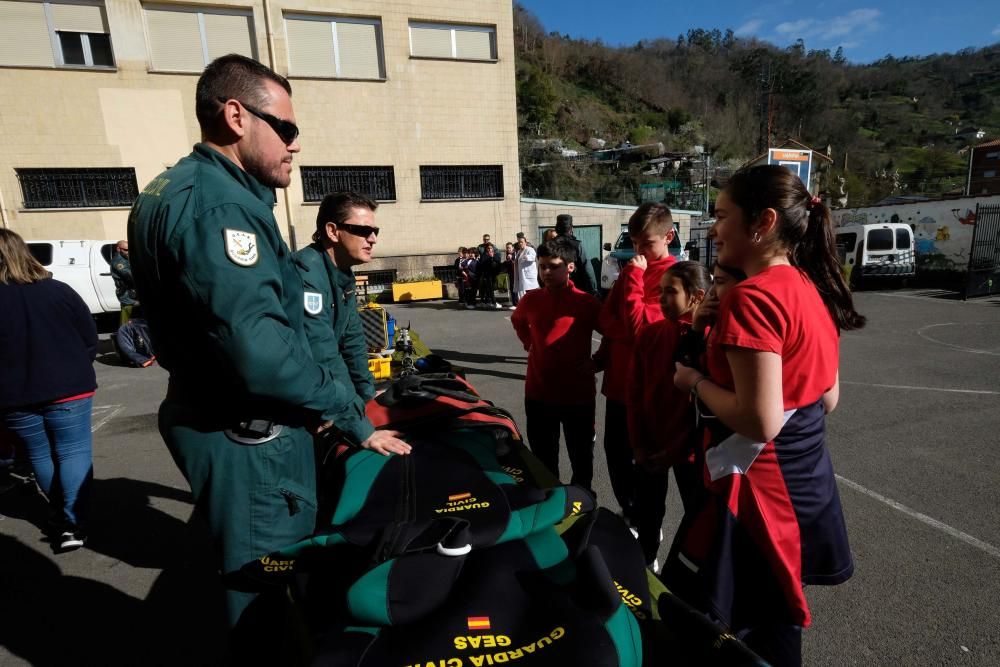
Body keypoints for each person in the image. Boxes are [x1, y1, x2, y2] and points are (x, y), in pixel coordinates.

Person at [126, 54, 369, 652]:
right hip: (250, 438)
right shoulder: (224, 207)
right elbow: (261, 350)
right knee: (269, 606)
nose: (295, 143)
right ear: (236, 116)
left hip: (214, 417)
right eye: (284, 128)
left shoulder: (174, 186)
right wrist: (348, 408)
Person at [668, 165, 865, 667]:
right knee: (769, 618)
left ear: (764, 222)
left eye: (721, 216)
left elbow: (761, 421)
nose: (714, 229)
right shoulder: (809, 285)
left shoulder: (754, 298)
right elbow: (828, 398)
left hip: (759, 495)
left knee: (736, 626)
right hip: (805, 482)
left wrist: (695, 382)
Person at [0, 229, 98, 551]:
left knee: (41, 454)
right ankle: (72, 522)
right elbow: (89, 338)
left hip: (13, 395)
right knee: (72, 451)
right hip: (68, 386)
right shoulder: (59, 291)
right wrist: (78, 364)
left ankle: (64, 515)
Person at [295, 191, 411, 455]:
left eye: (374, 230)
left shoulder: (341, 273)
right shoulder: (306, 275)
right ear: (333, 231)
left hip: (313, 396)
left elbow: (353, 343)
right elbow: (323, 355)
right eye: (363, 230)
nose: (373, 238)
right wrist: (361, 429)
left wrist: (368, 399)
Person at [595, 202, 677, 525]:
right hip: (617, 384)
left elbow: (641, 329)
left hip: (649, 389)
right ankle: (632, 514)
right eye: (635, 243)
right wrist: (621, 334)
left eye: (647, 243)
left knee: (647, 462)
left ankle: (649, 532)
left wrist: (634, 279)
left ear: (669, 236)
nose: (639, 251)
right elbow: (605, 319)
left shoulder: (673, 277)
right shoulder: (632, 271)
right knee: (615, 456)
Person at [627, 261, 710, 573]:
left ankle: (696, 576)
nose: (661, 299)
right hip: (649, 446)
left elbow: (704, 409)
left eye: (670, 292)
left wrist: (675, 451)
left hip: (691, 452)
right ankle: (646, 565)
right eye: (659, 291)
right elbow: (634, 393)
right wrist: (637, 444)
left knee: (699, 517)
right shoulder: (649, 335)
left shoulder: (709, 341)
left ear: (696, 296)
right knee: (648, 514)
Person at [511, 237, 602, 490]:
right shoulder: (531, 300)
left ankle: (583, 505)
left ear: (570, 267)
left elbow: (614, 335)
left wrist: (598, 362)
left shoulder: (587, 303)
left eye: (553, 266)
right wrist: (528, 341)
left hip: (578, 396)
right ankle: (551, 507)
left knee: (582, 459)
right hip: (539, 394)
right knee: (543, 460)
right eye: (542, 266)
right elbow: (517, 320)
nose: (546, 272)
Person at [554, 214, 598, 296]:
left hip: (554, 290)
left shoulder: (549, 245)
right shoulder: (577, 245)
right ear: (571, 228)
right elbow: (587, 269)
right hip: (575, 290)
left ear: (556, 228)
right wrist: (593, 290)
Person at [110, 239, 138, 324]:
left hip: (132, 293)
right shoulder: (118, 261)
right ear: (118, 249)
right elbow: (129, 276)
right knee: (126, 320)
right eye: (126, 250)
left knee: (135, 319)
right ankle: (123, 335)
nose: (128, 252)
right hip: (127, 295)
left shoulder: (126, 259)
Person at [512, 236, 538, 305]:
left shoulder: (530, 249)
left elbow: (533, 256)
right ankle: (527, 306)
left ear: (525, 242)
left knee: (530, 292)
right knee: (525, 292)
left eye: (521, 242)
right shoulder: (519, 251)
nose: (520, 244)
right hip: (521, 275)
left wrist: (527, 257)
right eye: (519, 242)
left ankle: (533, 307)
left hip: (528, 276)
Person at [477, 243, 502, 309]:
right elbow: (483, 265)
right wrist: (490, 258)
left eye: (491, 248)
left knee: (491, 289)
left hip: (493, 274)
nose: (489, 249)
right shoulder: (484, 256)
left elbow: (497, 264)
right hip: (487, 275)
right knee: (489, 289)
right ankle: (493, 302)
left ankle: (488, 301)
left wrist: (493, 257)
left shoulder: (496, 255)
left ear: (493, 249)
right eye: (488, 248)